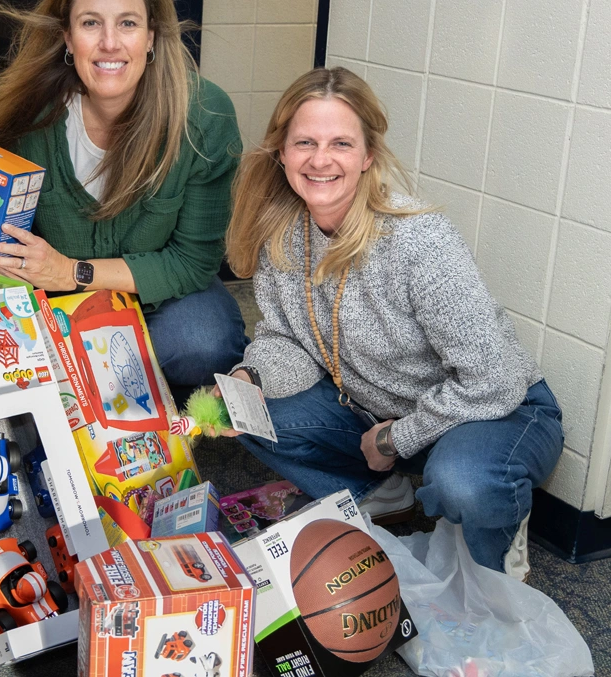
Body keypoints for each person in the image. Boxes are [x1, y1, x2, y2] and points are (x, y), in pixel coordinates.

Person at [221, 66, 563, 580]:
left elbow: (493, 380)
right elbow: (287, 338)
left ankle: (497, 521)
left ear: (367, 157)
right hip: (376, 413)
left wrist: (396, 440)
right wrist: (253, 378)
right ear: (281, 153)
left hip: (498, 411)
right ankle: (384, 496)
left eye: (340, 143)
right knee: (247, 414)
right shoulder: (285, 231)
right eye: (304, 142)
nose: (320, 159)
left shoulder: (417, 239)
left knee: (463, 483)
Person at [0, 0, 247, 398]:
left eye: (127, 23)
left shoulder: (204, 115)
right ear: (68, 38)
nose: (109, 43)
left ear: (151, 38)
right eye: (90, 24)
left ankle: (75, 365)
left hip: (159, 300)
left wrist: (73, 272)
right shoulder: (32, 111)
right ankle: (88, 364)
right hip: (54, 299)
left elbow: (193, 263)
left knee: (204, 341)